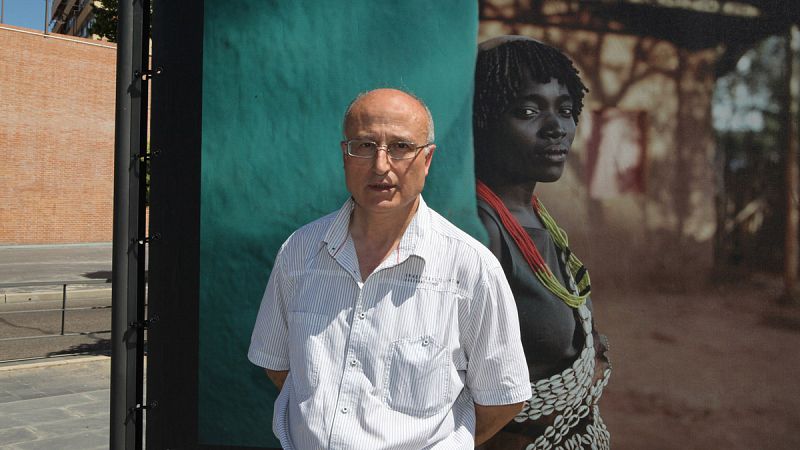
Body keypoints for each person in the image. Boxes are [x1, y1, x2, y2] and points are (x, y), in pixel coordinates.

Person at [248, 88, 531, 449]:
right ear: (344, 156)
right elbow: (279, 365)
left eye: (400, 147)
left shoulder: (470, 269)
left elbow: (502, 399)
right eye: (365, 146)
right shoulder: (300, 253)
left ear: (427, 160)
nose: (381, 165)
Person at [473, 36, 612, 450]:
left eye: (566, 110)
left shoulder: (538, 217)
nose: (557, 128)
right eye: (528, 111)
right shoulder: (479, 231)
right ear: (481, 118)